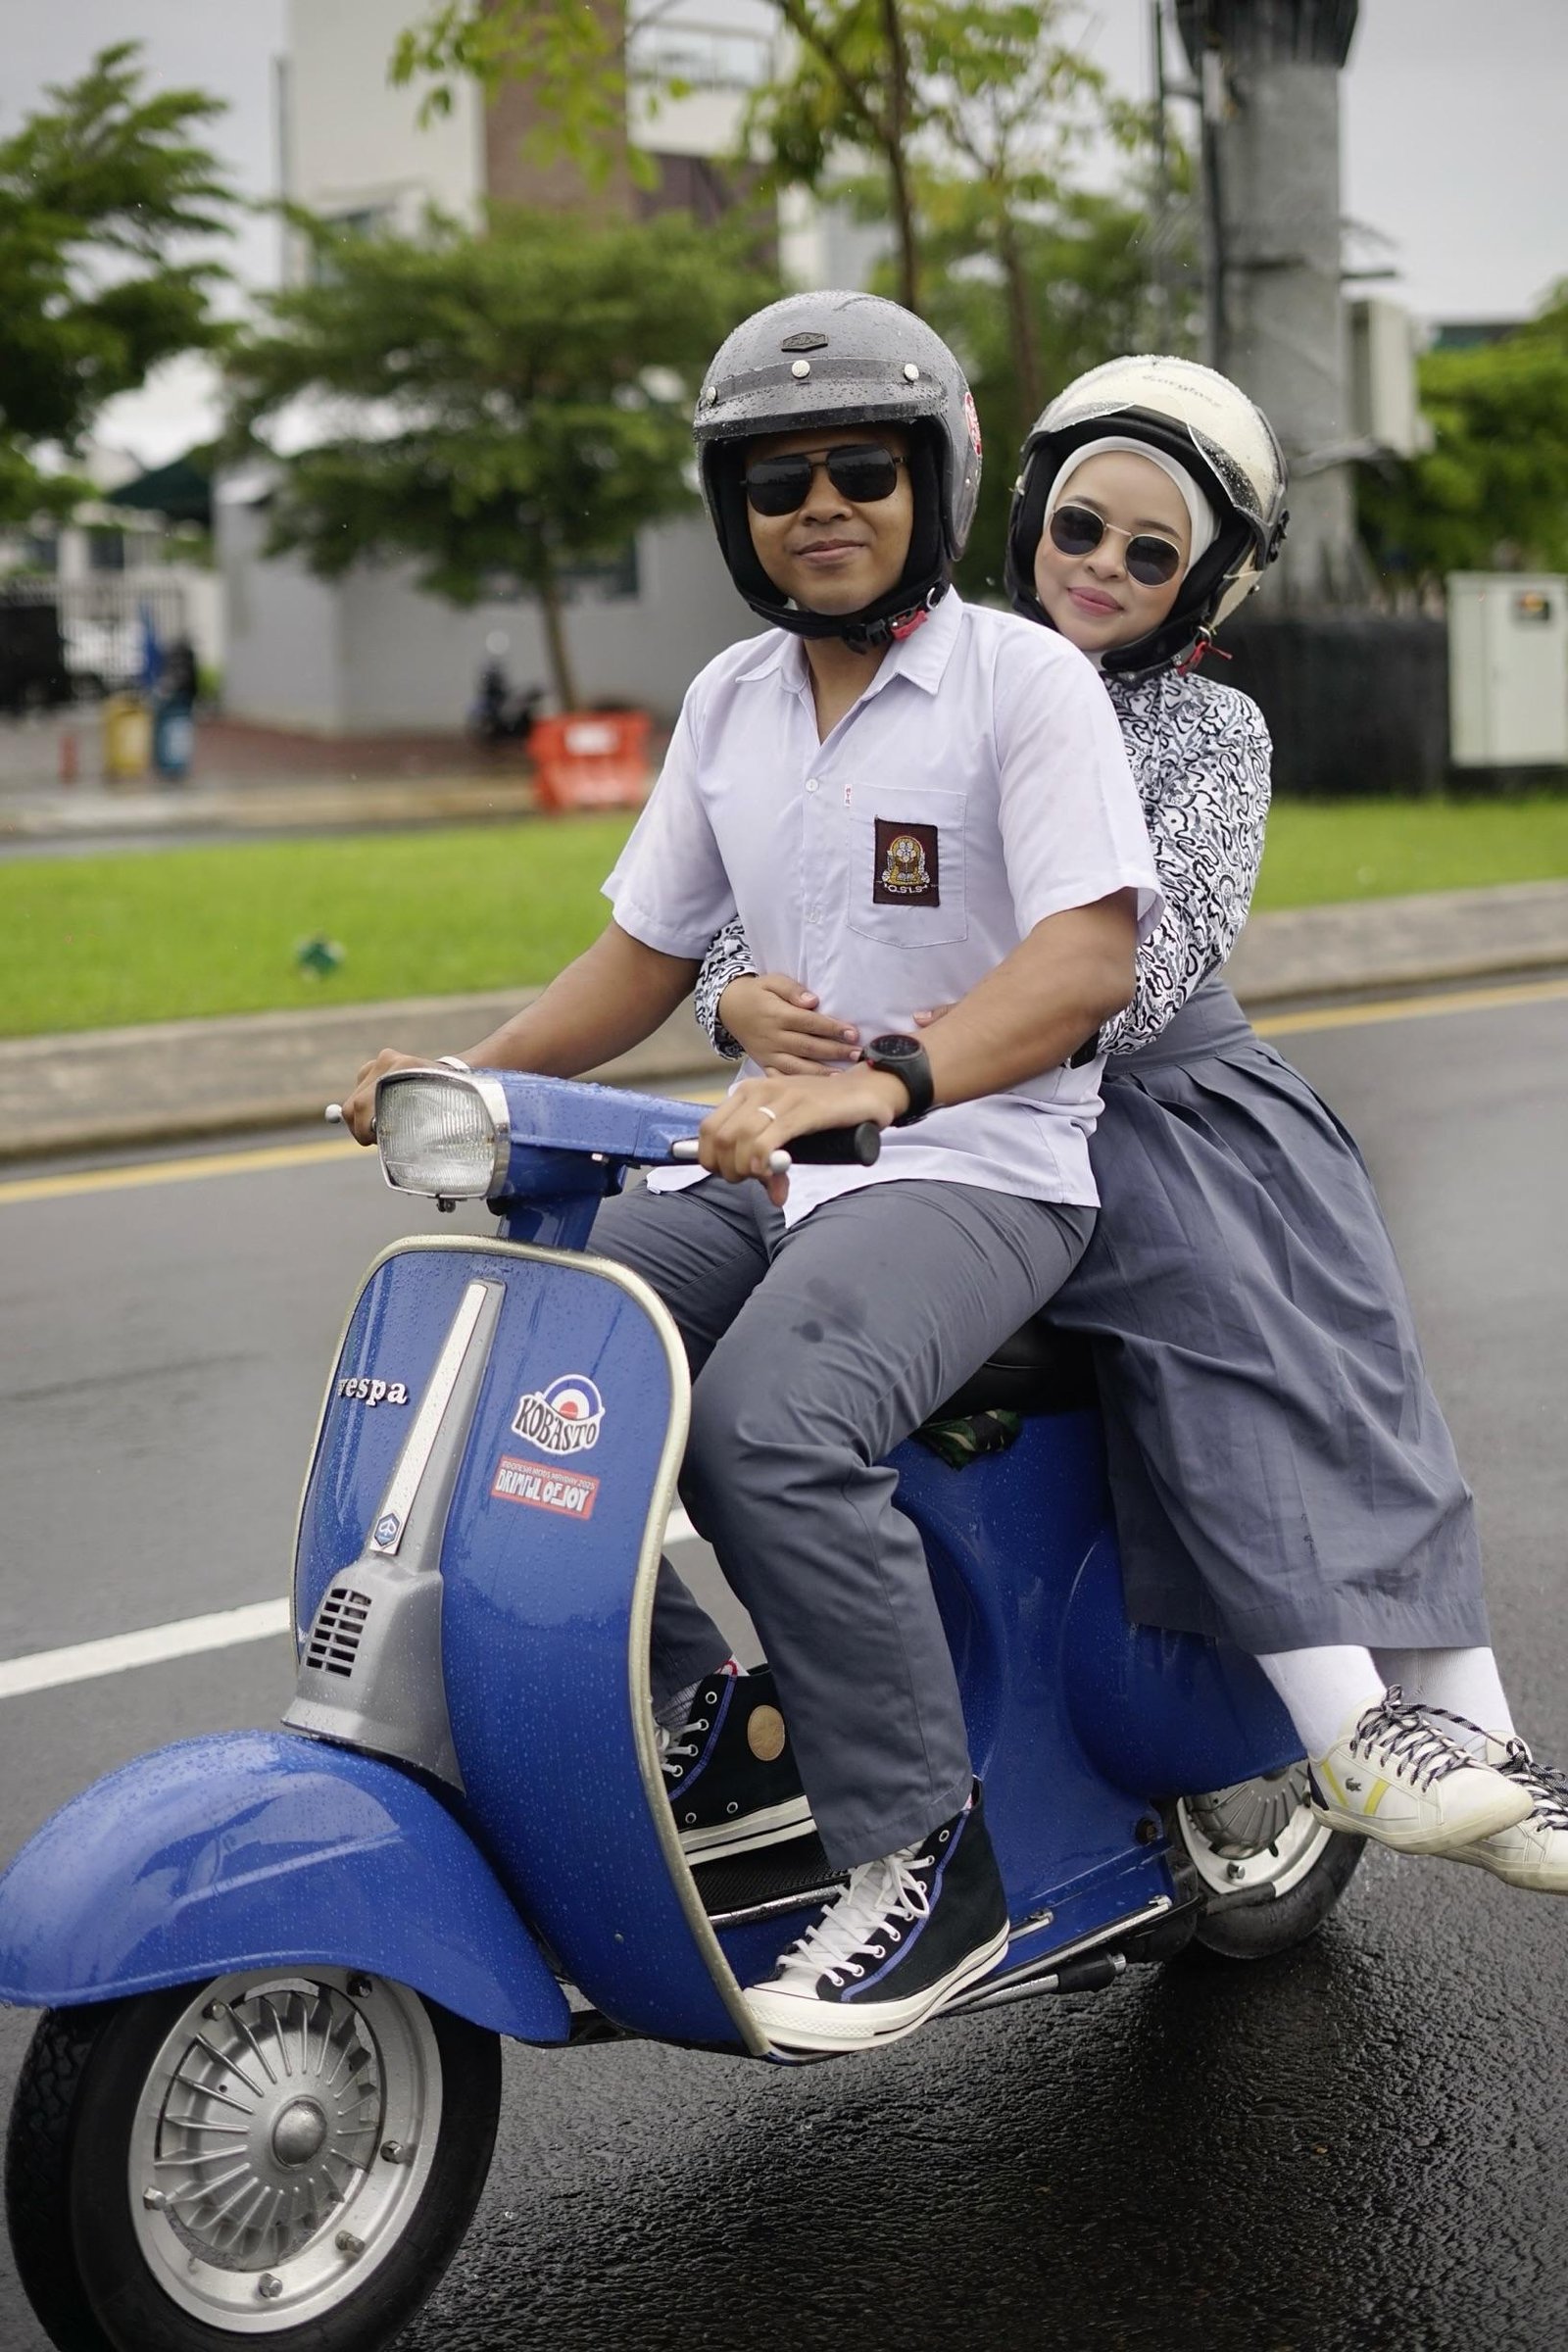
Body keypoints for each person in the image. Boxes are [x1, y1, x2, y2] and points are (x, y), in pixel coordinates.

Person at [341, 291, 1162, 2053]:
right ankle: (710, 1713)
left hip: (982, 1168)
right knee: (526, 1357)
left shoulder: (1022, 682)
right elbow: (644, 957)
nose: (822, 506)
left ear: (932, 484)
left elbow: (1089, 957)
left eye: (863, 468)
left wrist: (884, 1078)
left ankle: (928, 1859)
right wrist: (466, 1076)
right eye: (778, 481)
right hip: (783, 1164)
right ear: (737, 513)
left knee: (769, 1425)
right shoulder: (730, 700)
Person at [693, 352, 1568, 1889]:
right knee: (1187, 1320)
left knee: (1312, 1350)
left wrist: (929, 1038)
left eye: (1152, 555)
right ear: (1024, 515)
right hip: (955, 1102)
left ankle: (1455, 1724)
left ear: (1203, 589)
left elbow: (1150, 961)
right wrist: (737, 998)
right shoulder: (924, 683)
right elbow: (761, 891)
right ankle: (1345, 1718)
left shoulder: (1208, 731)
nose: (1101, 567)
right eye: (1080, 528)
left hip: (1159, 1097)